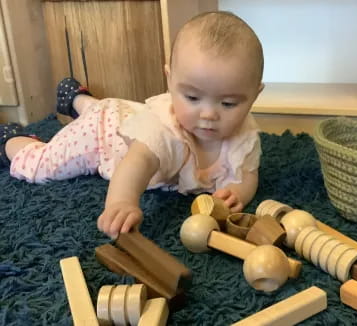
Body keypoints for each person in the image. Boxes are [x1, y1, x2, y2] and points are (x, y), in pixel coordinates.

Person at [0, 11, 264, 238]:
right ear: (170, 81)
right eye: (192, 97)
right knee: (46, 166)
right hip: (102, 137)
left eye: (228, 104)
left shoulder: (244, 134)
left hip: (125, 113)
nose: (208, 114)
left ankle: (78, 99)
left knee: (113, 111)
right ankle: (11, 141)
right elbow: (136, 164)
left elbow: (248, 173)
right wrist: (122, 202)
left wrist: (239, 191)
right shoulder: (162, 130)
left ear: (254, 95)